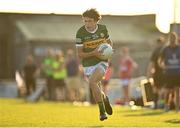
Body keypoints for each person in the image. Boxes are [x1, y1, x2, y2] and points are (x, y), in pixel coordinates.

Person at [75, 8, 113, 121]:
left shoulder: (103, 29)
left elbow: (109, 42)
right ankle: (105, 98)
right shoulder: (80, 32)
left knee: (92, 82)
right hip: (88, 64)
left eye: (90, 21)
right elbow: (80, 54)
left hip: (102, 62)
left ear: (96, 20)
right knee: (94, 85)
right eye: (85, 21)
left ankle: (102, 112)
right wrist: (94, 53)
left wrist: (109, 51)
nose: (87, 23)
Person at [159, 32, 180, 112]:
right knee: (168, 91)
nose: (172, 40)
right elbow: (160, 60)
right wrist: (162, 66)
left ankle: (177, 107)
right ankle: (166, 106)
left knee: (177, 90)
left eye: (174, 38)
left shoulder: (179, 48)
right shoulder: (166, 49)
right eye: (171, 38)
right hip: (169, 73)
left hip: (178, 73)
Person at [147, 36, 166, 109]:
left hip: (160, 73)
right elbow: (152, 64)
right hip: (162, 73)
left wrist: (149, 74)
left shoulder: (158, 51)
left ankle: (157, 104)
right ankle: (160, 104)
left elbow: (151, 64)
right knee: (160, 88)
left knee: (158, 89)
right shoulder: (164, 51)